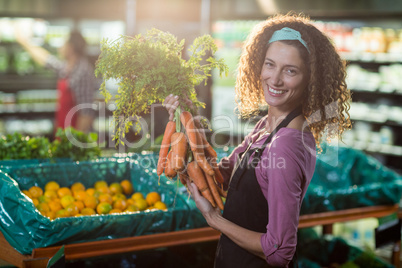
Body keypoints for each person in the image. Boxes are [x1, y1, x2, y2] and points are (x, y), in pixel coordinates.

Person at [164, 13, 351, 268]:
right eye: (270, 64)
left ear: (310, 80)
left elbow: (279, 252)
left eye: (290, 71)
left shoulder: (285, 145)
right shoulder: (267, 127)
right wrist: (185, 123)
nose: (274, 79)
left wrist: (214, 219)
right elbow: (223, 177)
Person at [15, 30, 97, 133]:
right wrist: (25, 43)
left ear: (70, 47)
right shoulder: (67, 67)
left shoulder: (83, 72)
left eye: (63, 44)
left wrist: (75, 142)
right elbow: (46, 60)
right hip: (64, 132)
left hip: (75, 135)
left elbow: (86, 113)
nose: (60, 48)